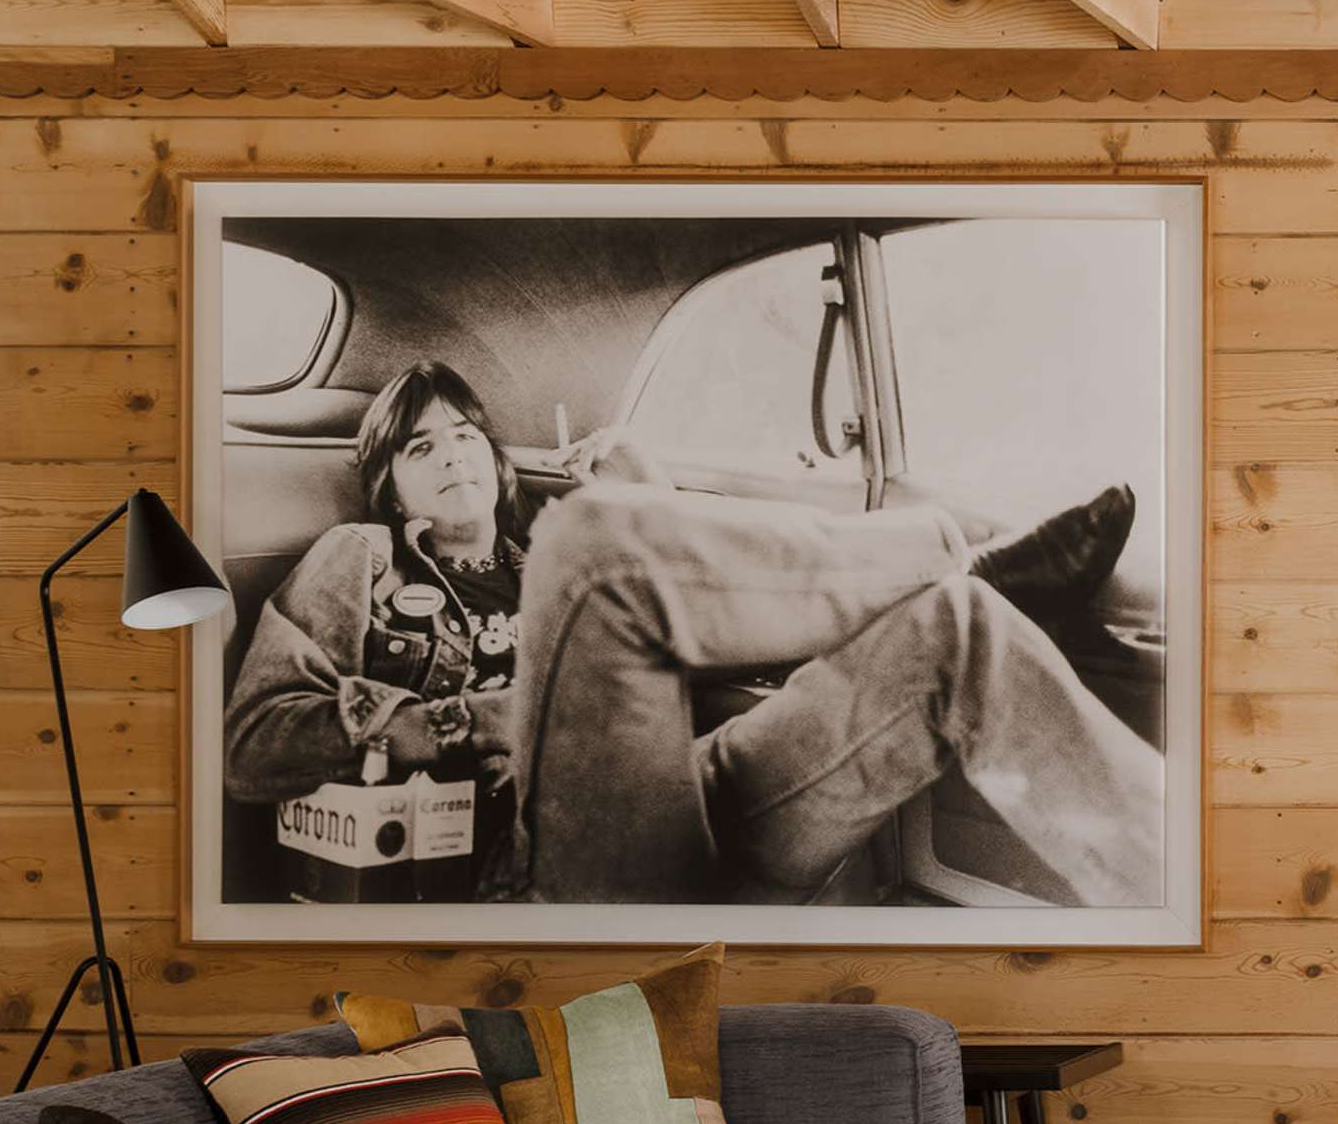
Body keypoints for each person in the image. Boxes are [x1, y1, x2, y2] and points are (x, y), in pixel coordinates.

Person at [223, 362, 1163, 909]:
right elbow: (254, 742)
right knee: (589, 544)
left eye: (465, 435)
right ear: (391, 487)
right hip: (511, 859)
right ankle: (951, 556)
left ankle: (1209, 901)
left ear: (497, 459)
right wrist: (455, 720)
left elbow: (746, 640)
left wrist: (649, 490)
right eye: (419, 448)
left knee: (957, 632)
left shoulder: (537, 555)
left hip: (693, 787)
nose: (452, 455)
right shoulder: (362, 557)